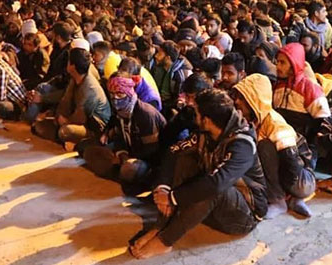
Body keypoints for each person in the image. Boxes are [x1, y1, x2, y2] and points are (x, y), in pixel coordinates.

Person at [130, 89, 267, 259]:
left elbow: (217, 183)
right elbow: (173, 152)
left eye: (197, 113)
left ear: (206, 120)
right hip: (210, 208)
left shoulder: (242, 144)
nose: (194, 116)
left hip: (243, 217)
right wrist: (162, 188)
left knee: (213, 188)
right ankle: (160, 226)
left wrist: (172, 197)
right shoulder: (207, 132)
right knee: (184, 162)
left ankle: (165, 240)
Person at [234, 74, 315, 218]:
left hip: (301, 179)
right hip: (290, 177)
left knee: (264, 147)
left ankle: (279, 200)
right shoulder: (255, 121)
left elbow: (291, 162)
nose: (237, 102)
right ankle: (292, 200)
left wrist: (287, 190)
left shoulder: (274, 122)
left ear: (255, 99)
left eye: (242, 98)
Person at [82, 72, 165, 183]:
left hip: (149, 160)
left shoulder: (146, 114)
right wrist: (122, 154)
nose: (115, 98)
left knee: (129, 169)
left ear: (129, 92)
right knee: (87, 150)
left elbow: (152, 150)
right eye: (112, 94)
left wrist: (128, 158)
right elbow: (119, 137)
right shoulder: (120, 111)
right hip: (130, 151)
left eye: (120, 93)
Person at [33, 48, 111, 148]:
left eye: (68, 61)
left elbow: (81, 118)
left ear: (72, 66)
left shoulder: (90, 88)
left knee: (65, 131)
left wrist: (66, 121)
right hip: (73, 119)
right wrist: (58, 116)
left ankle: (82, 142)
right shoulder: (75, 78)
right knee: (39, 126)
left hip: (93, 127)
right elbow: (65, 101)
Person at [273, 43, 331, 143]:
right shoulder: (277, 86)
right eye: (277, 62)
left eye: (282, 63)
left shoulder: (309, 88)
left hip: (303, 144)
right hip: (280, 139)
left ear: (293, 64)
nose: (277, 66)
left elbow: (324, 118)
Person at [151, 40, 193, 118]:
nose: (156, 56)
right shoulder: (158, 66)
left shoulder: (180, 75)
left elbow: (178, 97)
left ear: (168, 58)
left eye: (160, 54)